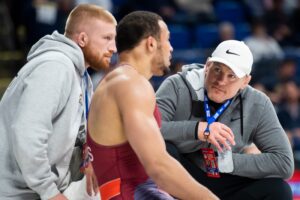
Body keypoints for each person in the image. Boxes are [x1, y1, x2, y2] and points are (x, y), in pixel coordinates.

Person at [87, 11, 218, 200]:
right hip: (132, 193)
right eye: (168, 40)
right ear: (151, 43)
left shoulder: (115, 82)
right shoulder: (131, 84)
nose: (171, 48)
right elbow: (159, 166)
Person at [0, 4, 117, 200]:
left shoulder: (80, 74)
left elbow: (74, 132)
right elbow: (28, 133)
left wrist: (86, 158)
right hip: (20, 193)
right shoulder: (55, 67)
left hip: (41, 188)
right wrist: (50, 192)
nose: (113, 47)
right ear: (82, 39)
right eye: (106, 38)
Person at [156, 40, 294, 200]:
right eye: (217, 70)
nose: (221, 81)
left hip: (224, 176)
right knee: (163, 148)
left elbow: (284, 163)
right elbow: (148, 129)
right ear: (207, 66)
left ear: (245, 81)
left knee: (279, 190)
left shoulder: (258, 103)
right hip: (181, 173)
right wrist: (197, 130)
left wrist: (226, 162)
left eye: (232, 76)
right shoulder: (178, 85)